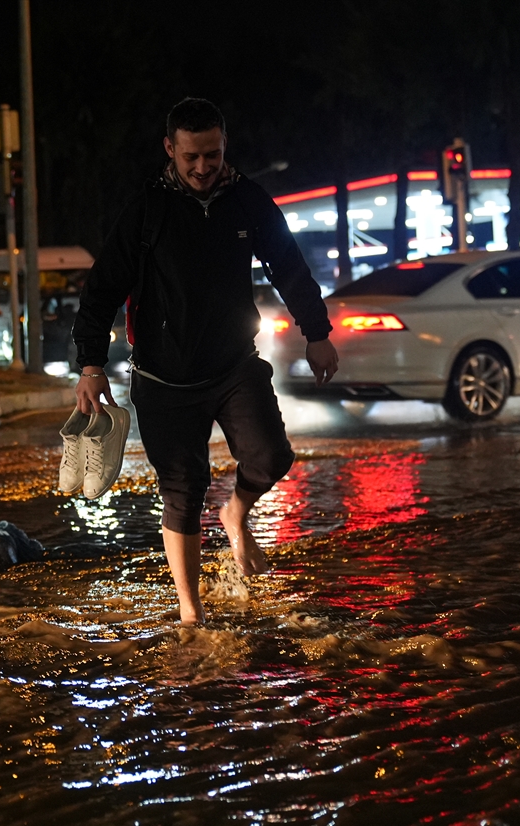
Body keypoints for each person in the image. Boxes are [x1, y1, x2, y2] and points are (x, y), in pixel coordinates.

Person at [72, 97, 339, 626]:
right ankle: (191, 615)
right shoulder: (146, 210)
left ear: (224, 145)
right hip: (162, 377)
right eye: (191, 156)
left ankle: (236, 512)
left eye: (212, 154)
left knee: (271, 456)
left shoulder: (247, 199)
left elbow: (288, 265)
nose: (202, 167)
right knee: (182, 489)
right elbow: (101, 291)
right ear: (170, 149)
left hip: (234, 366)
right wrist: (91, 366)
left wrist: (317, 333)